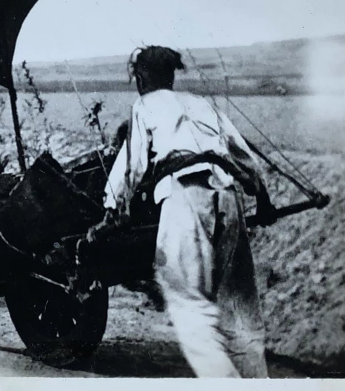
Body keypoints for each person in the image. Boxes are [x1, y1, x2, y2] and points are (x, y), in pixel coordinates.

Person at [95, 45, 274, 378]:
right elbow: (241, 152)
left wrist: (112, 208)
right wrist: (261, 196)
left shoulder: (145, 104)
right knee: (238, 308)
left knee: (187, 303)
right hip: (228, 195)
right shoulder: (200, 103)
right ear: (171, 76)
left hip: (186, 196)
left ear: (142, 76)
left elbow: (131, 165)